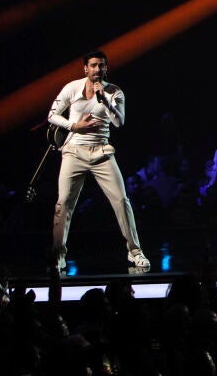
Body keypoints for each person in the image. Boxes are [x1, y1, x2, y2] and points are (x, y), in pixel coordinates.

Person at [47, 49, 150, 274]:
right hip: (74, 152)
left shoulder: (114, 92)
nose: (97, 69)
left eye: (101, 65)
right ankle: (58, 256)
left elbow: (119, 122)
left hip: (101, 152)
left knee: (121, 200)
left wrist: (105, 100)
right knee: (63, 203)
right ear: (85, 68)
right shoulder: (72, 88)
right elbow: (52, 115)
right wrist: (74, 126)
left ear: (106, 68)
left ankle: (135, 251)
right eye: (93, 65)